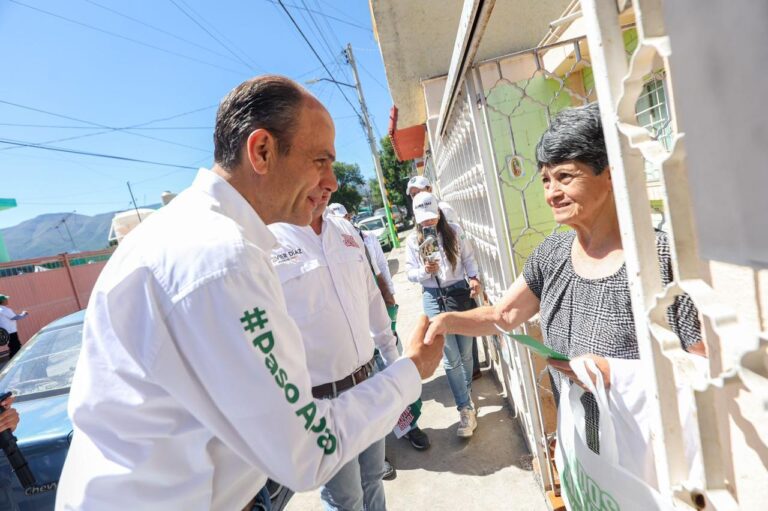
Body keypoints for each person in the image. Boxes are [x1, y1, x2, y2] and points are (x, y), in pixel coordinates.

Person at [55, 75, 444, 511]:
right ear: (262, 151)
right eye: (321, 161)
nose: (331, 181)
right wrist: (411, 370)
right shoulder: (223, 259)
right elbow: (308, 452)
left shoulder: (190, 236)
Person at [424, 103, 705, 451]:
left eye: (565, 177)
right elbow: (504, 315)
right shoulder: (553, 252)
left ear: (610, 172)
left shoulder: (661, 260)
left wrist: (614, 375)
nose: (551, 193)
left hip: (649, 453)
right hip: (582, 447)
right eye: (545, 179)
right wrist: (448, 320)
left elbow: (702, 370)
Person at [270, 197, 404, 510]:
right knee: (347, 499)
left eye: (331, 166)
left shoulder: (344, 230)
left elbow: (371, 294)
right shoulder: (269, 241)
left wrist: (391, 358)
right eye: (317, 164)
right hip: (322, 403)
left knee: (373, 478)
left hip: (368, 382)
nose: (329, 181)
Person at [328, 203, 431, 452]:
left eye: (346, 218)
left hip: (379, 319)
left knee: (394, 373)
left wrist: (390, 301)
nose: (345, 223)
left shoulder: (360, 239)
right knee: (370, 393)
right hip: (353, 338)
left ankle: (408, 427)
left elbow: (379, 273)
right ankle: (380, 449)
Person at [406, 192, 483, 438]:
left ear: (439, 212)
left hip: (459, 293)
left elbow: (469, 260)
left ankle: (468, 401)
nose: (429, 223)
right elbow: (409, 273)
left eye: (432, 217)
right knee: (450, 357)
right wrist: (424, 271)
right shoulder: (412, 241)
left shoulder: (454, 231)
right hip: (433, 296)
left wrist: (473, 278)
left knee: (465, 352)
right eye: (424, 220)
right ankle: (465, 408)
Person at [0, 294, 30, 359]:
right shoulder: (5, 309)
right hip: (11, 332)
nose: (7, 300)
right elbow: (15, 318)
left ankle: (12, 363)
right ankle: (15, 364)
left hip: (4, 333)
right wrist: (24, 314)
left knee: (13, 348)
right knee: (16, 348)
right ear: (2, 301)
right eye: (5, 299)